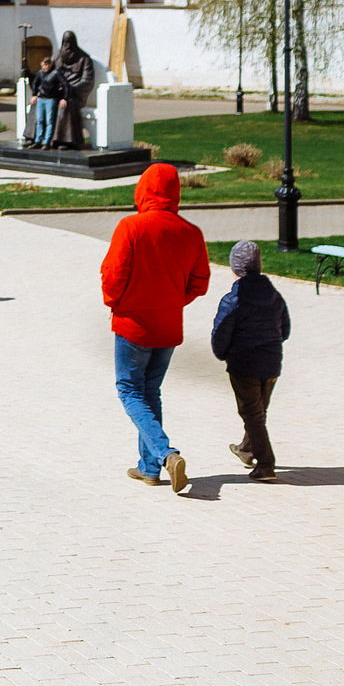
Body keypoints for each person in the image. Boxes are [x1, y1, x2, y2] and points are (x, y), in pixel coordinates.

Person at [99, 163, 210, 492]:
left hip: (133, 324)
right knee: (151, 392)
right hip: (168, 326)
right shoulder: (190, 232)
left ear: (143, 189)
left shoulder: (131, 227)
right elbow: (199, 282)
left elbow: (113, 274)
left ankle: (165, 454)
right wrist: (173, 302)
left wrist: (114, 302)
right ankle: (149, 468)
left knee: (130, 391)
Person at [211, 240, 291, 482]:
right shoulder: (274, 295)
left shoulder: (233, 300)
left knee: (251, 412)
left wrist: (223, 353)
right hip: (271, 362)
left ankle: (266, 465)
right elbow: (284, 330)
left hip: (243, 364)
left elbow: (220, 334)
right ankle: (247, 449)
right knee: (258, 410)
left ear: (235, 268)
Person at [52, 32, 96, 149]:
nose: (67, 46)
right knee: (43, 101)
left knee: (65, 105)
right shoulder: (57, 57)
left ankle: (66, 141)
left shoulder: (84, 59)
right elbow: (49, 75)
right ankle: (38, 138)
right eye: (65, 43)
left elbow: (87, 81)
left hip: (75, 95)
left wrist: (71, 89)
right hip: (59, 92)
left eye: (69, 43)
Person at [28, 58, 61, 148]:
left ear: (50, 64)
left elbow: (64, 85)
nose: (45, 67)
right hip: (41, 99)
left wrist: (63, 98)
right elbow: (35, 84)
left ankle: (46, 142)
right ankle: (38, 140)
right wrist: (34, 95)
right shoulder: (40, 73)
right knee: (39, 120)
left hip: (51, 99)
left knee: (49, 121)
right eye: (43, 65)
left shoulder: (55, 73)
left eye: (47, 65)